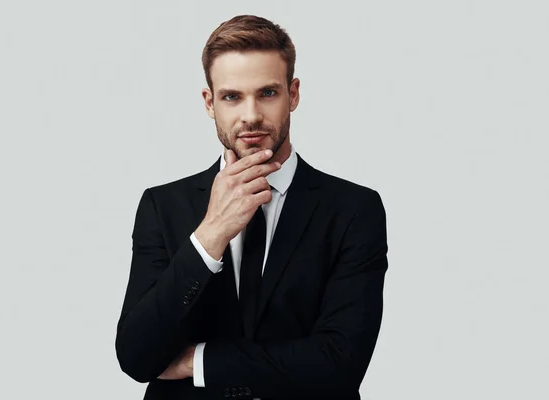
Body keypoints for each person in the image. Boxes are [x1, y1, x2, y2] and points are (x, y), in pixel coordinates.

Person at [115, 14, 388, 400]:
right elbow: (135, 356)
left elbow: (340, 363)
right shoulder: (162, 206)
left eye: (267, 93)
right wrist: (210, 236)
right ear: (210, 102)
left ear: (293, 94)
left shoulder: (354, 209)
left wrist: (200, 362)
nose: (251, 116)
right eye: (232, 96)